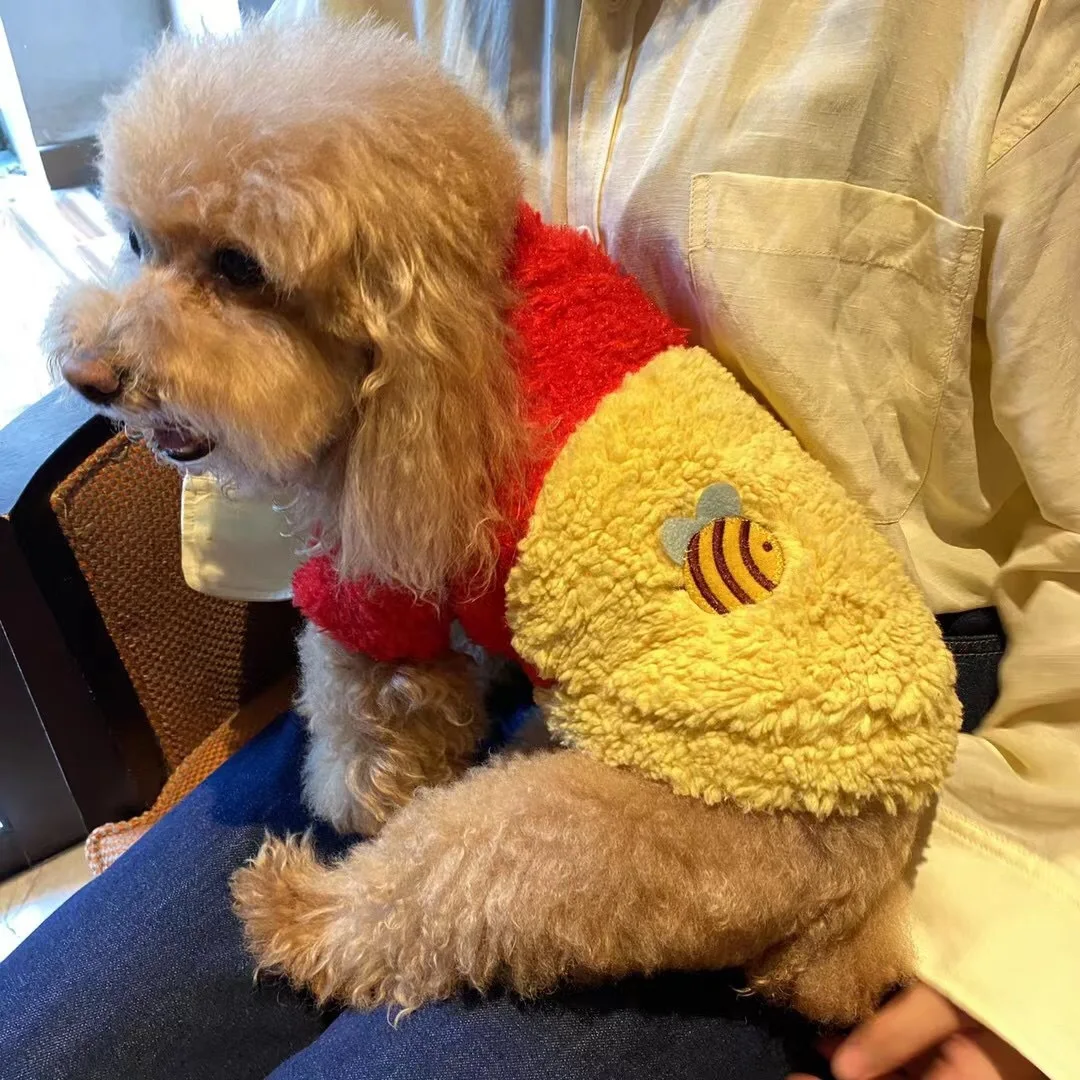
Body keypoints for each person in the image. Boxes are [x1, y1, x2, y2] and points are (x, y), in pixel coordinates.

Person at [3, 2, 1075, 1078]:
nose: (97, 354)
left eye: (233, 269)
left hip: (799, 743)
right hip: (529, 650)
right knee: (41, 1043)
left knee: (338, 939)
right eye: (138, 244)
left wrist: (1017, 954)